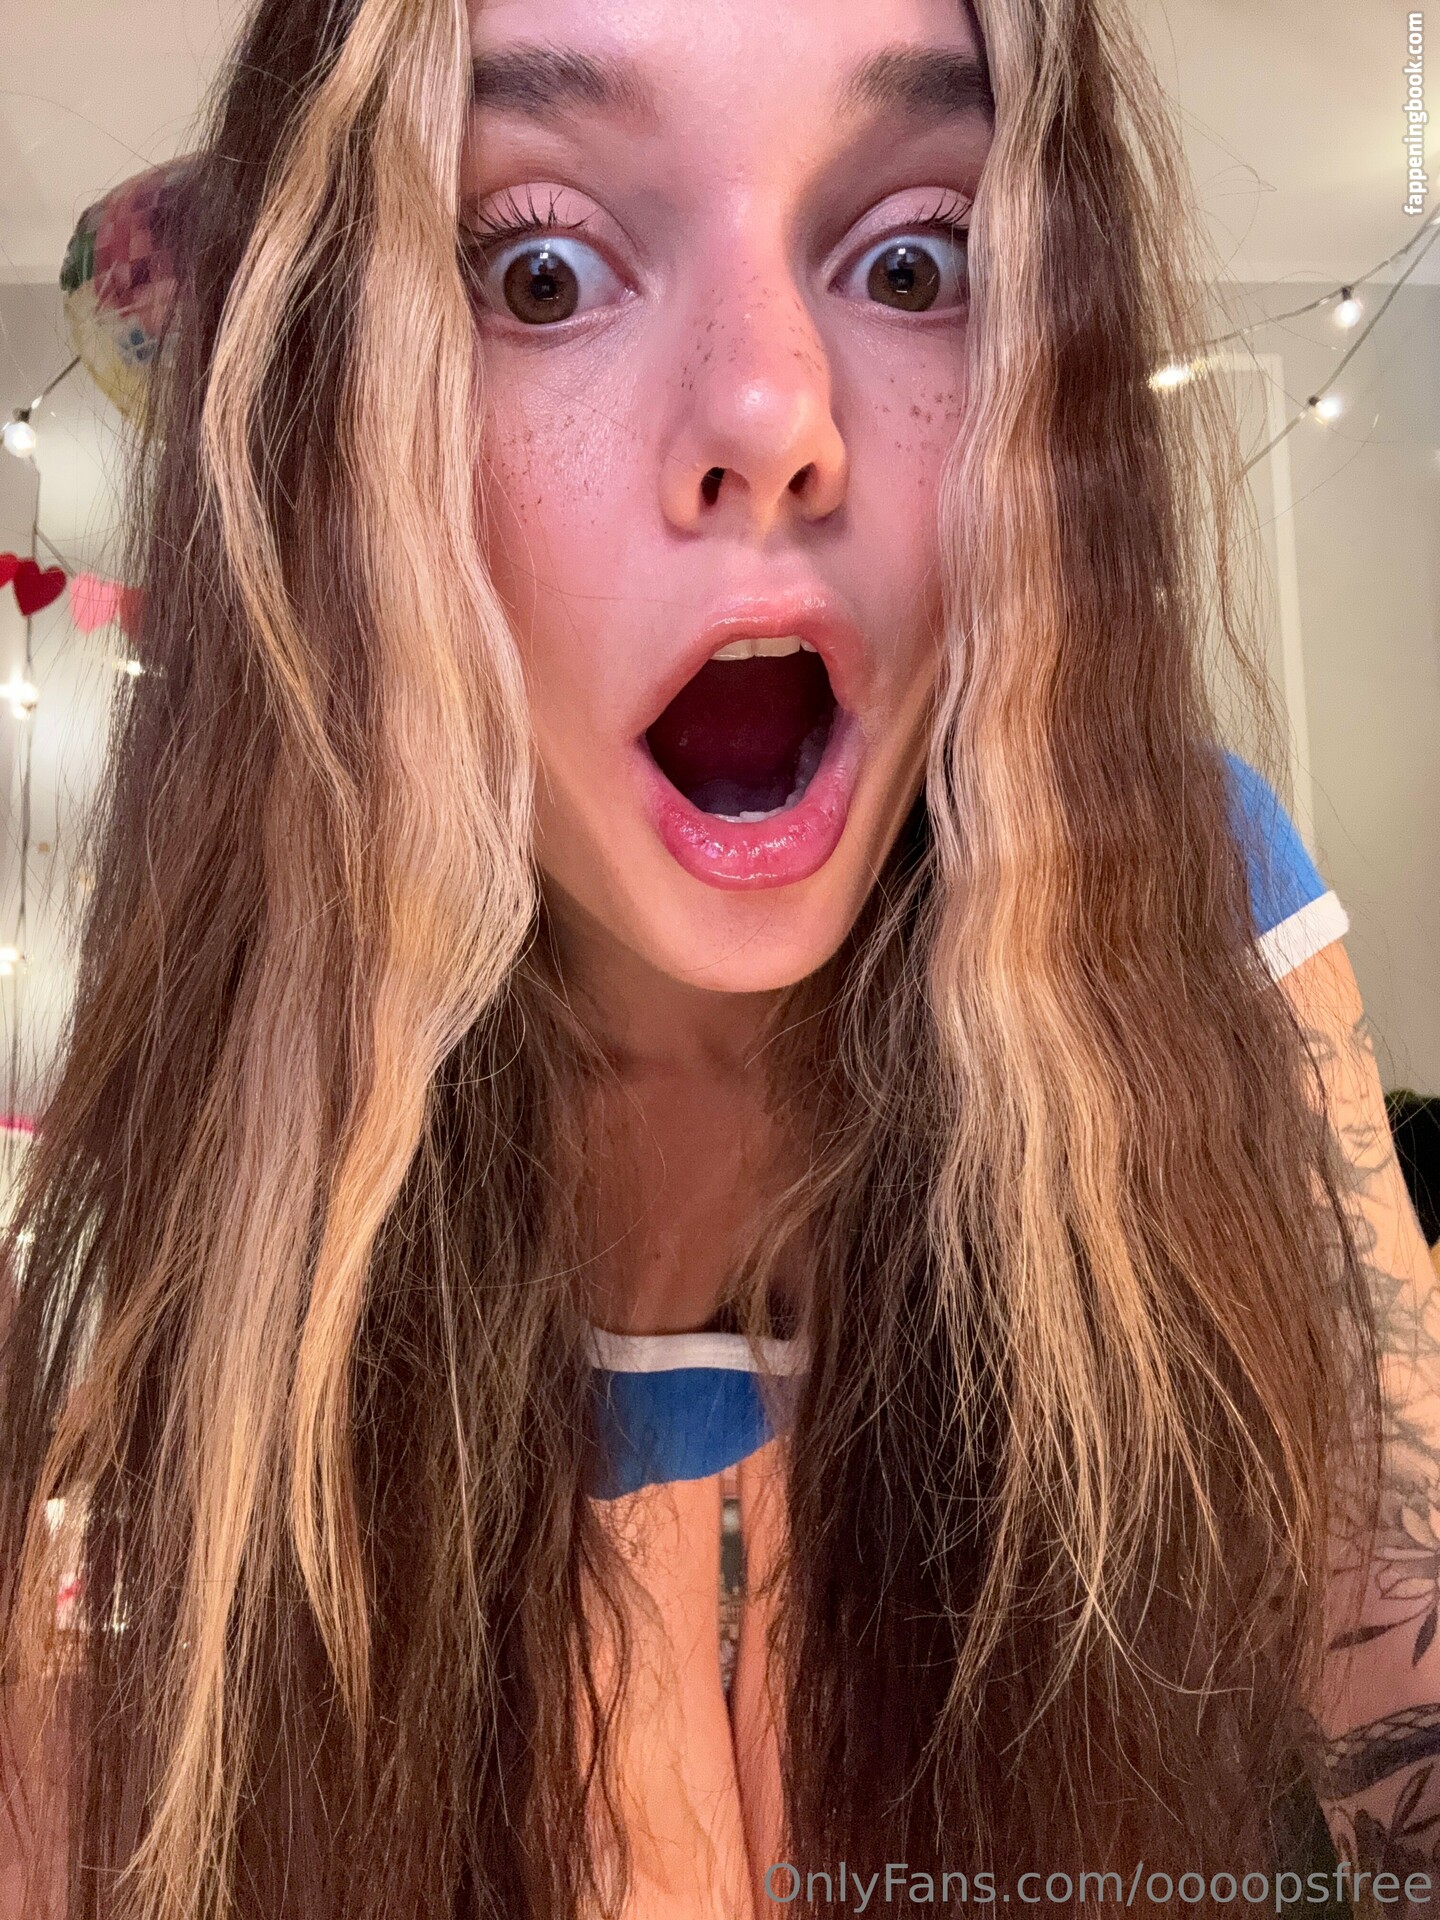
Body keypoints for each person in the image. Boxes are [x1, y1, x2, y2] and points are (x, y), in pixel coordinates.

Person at [2, 0, 1437, 1914]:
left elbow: (1395, 1617)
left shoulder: (1167, 886)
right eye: (538, 272)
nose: (772, 415)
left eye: (913, 264)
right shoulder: (252, 1061)